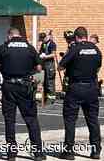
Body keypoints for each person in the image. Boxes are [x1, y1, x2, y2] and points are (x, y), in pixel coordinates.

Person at [0, 28, 45, 161]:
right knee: (31, 119)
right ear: (19, 35)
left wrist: (2, 67)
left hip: (9, 87)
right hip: (25, 87)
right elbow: (39, 68)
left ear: (9, 36)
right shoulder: (29, 47)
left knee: (10, 120)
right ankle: (38, 153)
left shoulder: (4, 47)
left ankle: (11, 154)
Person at [58, 27, 102, 160]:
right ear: (86, 36)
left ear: (76, 37)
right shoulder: (96, 49)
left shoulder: (75, 49)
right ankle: (95, 151)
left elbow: (60, 66)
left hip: (76, 88)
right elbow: (98, 66)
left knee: (70, 120)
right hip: (92, 88)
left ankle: (69, 152)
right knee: (93, 120)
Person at [39, 30, 57, 102]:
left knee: (50, 82)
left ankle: (51, 99)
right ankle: (46, 98)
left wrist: (45, 56)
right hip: (44, 64)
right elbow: (40, 52)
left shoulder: (52, 44)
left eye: (42, 39)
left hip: (50, 65)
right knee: (45, 82)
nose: (42, 41)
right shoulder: (43, 44)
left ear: (45, 37)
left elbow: (53, 54)